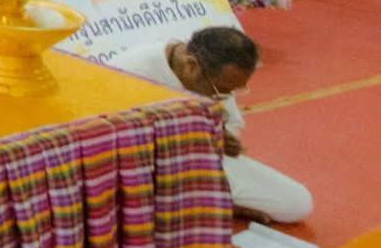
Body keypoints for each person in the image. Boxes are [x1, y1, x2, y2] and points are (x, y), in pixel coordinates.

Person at [100, 28, 309, 224]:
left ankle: (204, 200)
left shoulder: (216, 75)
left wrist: (222, 136)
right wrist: (193, 140)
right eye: (223, 90)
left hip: (196, 163)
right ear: (192, 65)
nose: (225, 96)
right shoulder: (130, 72)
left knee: (297, 203)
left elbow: (230, 124)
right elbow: (114, 149)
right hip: (139, 171)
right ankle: (206, 201)